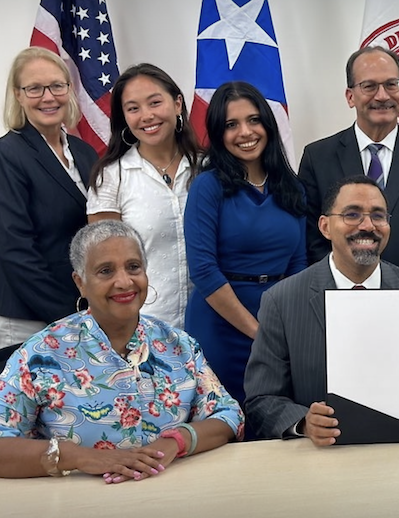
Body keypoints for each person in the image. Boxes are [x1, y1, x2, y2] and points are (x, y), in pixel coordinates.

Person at [0, 220, 243, 482]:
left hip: (170, 495)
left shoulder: (178, 345)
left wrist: (176, 442)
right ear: (80, 282)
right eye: (106, 271)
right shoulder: (40, 355)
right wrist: (81, 457)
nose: (124, 281)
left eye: (133, 267)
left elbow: (228, 415)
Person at [244, 175, 399, 445]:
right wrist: (304, 423)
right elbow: (261, 399)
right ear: (325, 226)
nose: (368, 226)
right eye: (352, 215)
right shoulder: (282, 301)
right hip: (323, 461)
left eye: (378, 216)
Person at [185, 81, 306, 409]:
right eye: (231, 125)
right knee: (226, 424)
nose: (245, 132)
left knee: (275, 419)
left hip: (277, 322)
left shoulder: (292, 187)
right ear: (218, 134)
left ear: (268, 124)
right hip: (220, 327)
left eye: (253, 120)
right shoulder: (206, 187)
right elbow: (204, 271)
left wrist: (283, 333)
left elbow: (298, 268)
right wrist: (259, 333)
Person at [298, 46, 399, 283]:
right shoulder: (318, 157)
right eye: (369, 86)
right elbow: (312, 237)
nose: (382, 96)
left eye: (391, 85)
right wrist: (350, 285)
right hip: (340, 297)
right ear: (350, 96)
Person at [0, 47, 98, 366]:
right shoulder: (8, 154)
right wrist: (71, 315)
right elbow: (15, 250)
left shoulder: (84, 154)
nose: (48, 97)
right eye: (34, 88)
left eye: (57, 85)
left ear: (69, 89)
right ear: (18, 94)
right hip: (29, 322)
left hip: (79, 315)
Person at [87, 64, 200, 328]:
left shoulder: (208, 168)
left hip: (212, 323)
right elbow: (105, 268)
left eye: (155, 102)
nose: (146, 116)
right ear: (123, 117)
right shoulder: (112, 177)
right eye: (133, 108)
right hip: (144, 329)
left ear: (177, 103)